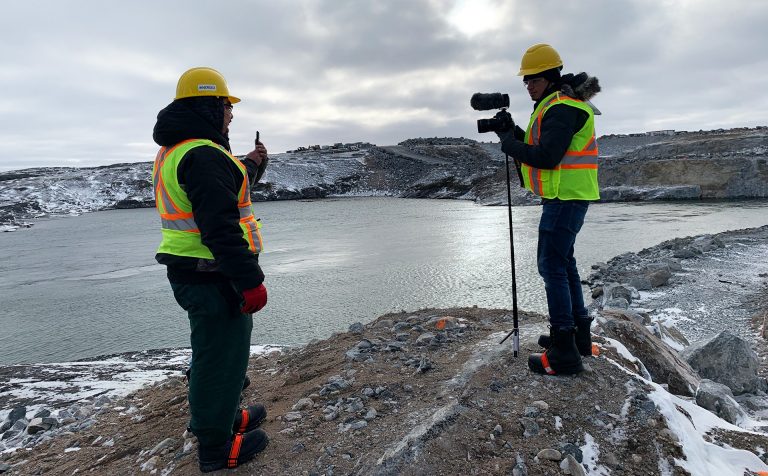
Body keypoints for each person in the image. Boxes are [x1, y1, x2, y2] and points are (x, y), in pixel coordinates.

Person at [152, 67, 269, 472]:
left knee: (217, 353)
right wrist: (250, 281)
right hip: (214, 275)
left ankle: (221, 417)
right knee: (220, 357)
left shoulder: (180, 150)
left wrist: (253, 164)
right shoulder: (203, 155)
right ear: (207, 106)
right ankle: (217, 448)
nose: (231, 114)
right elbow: (220, 227)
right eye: (225, 105)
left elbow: (221, 186)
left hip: (197, 272)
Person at [496, 44, 601, 375]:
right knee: (564, 263)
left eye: (535, 79)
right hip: (567, 197)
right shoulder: (554, 106)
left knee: (550, 266)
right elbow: (540, 144)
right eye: (526, 80)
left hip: (565, 198)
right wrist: (510, 131)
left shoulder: (560, 108)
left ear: (551, 77)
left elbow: (547, 156)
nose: (529, 85)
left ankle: (563, 353)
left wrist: (510, 145)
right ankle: (578, 337)